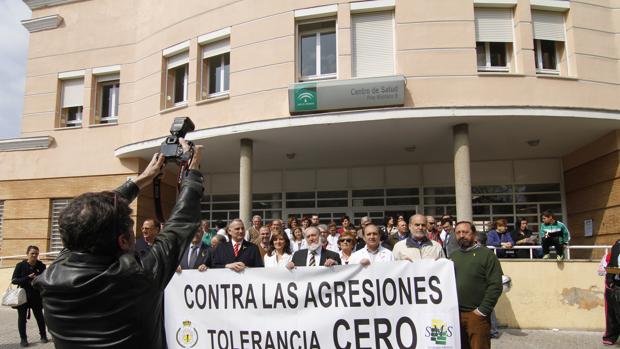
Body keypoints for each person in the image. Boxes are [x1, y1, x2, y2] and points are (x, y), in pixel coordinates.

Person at [33, 140, 204, 348]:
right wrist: (192, 172)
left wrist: (141, 180)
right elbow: (181, 223)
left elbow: (90, 214)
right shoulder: (137, 276)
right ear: (123, 241)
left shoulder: (53, 275)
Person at [451, 221, 503, 349]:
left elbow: (495, 285)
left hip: (476, 315)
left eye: (465, 232)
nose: (461, 235)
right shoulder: (453, 256)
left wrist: (482, 310)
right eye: (458, 232)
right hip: (455, 315)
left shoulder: (487, 255)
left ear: (473, 234)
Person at [12, 245, 48, 347]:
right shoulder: (20, 265)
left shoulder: (41, 266)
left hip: (36, 296)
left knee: (40, 317)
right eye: (32, 253)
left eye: (36, 253)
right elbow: (14, 280)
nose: (34, 255)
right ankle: (23, 339)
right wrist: (27, 278)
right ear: (27, 254)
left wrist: (38, 279)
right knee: (22, 318)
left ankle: (43, 335)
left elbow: (45, 280)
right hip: (23, 296)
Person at [603, 239, 620, 345]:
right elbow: (611, 264)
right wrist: (610, 280)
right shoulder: (617, 246)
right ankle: (611, 336)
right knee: (614, 312)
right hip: (617, 284)